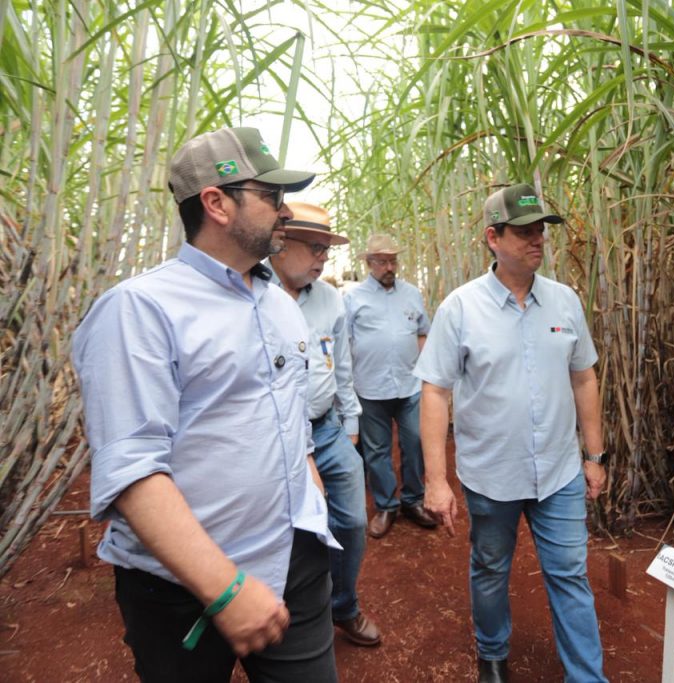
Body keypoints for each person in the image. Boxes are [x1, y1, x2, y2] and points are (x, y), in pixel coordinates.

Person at [72, 127, 339, 682]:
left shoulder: (280, 304)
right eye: (270, 197)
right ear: (216, 203)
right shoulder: (139, 311)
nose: (284, 211)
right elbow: (132, 469)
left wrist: (308, 475)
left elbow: (287, 412)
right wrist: (225, 588)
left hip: (295, 554)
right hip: (183, 589)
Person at [416, 183, 610, 683]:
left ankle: (586, 677)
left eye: (541, 231)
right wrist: (436, 482)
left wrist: (596, 455)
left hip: (559, 470)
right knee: (490, 568)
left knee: (569, 573)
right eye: (524, 232)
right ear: (492, 238)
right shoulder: (460, 309)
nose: (537, 241)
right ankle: (493, 655)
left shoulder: (564, 303)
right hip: (491, 473)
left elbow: (584, 376)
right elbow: (435, 392)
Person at [267, 203, 381, 647]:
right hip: (277, 439)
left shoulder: (332, 298)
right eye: (316, 247)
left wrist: (350, 428)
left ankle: (343, 607)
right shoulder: (253, 294)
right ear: (281, 243)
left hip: (328, 429)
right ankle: (288, 617)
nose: (323, 258)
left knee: (352, 521)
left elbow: (342, 367)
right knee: (293, 531)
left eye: (326, 250)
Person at [344, 235, 435, 538]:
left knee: (415, 443)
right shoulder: (353, 299)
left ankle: (413, 500)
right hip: (370, 388)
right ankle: (386, 505)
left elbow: (423, 333)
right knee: (377, 450)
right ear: (368, 263)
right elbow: (343, 343)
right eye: (382, 261)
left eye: (393, 260)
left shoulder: (411, 294)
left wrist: (426, 373)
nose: (389, 266)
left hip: (410, 385)